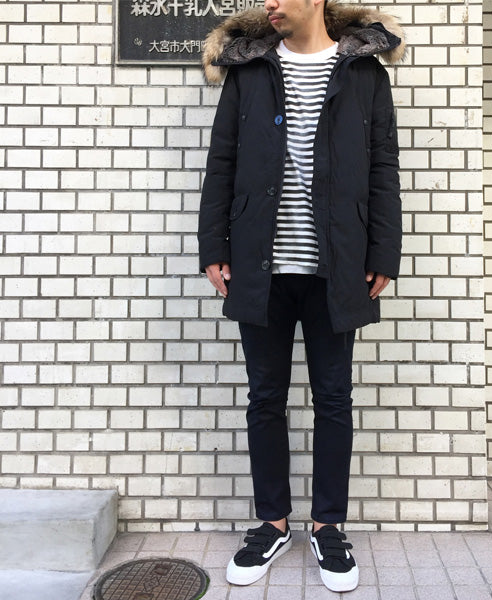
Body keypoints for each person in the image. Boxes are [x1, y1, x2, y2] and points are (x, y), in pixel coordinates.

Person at [198, 0, 404, 591]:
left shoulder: (364, 72)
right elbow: (222, 162)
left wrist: (384, 251)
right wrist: (214, 244)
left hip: (336, 266)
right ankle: (272, 523)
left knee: (333, 397)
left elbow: (383, 167)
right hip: (260, 265)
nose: (269, 4)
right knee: (265, 397)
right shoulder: (249, 71)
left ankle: (328, 526)